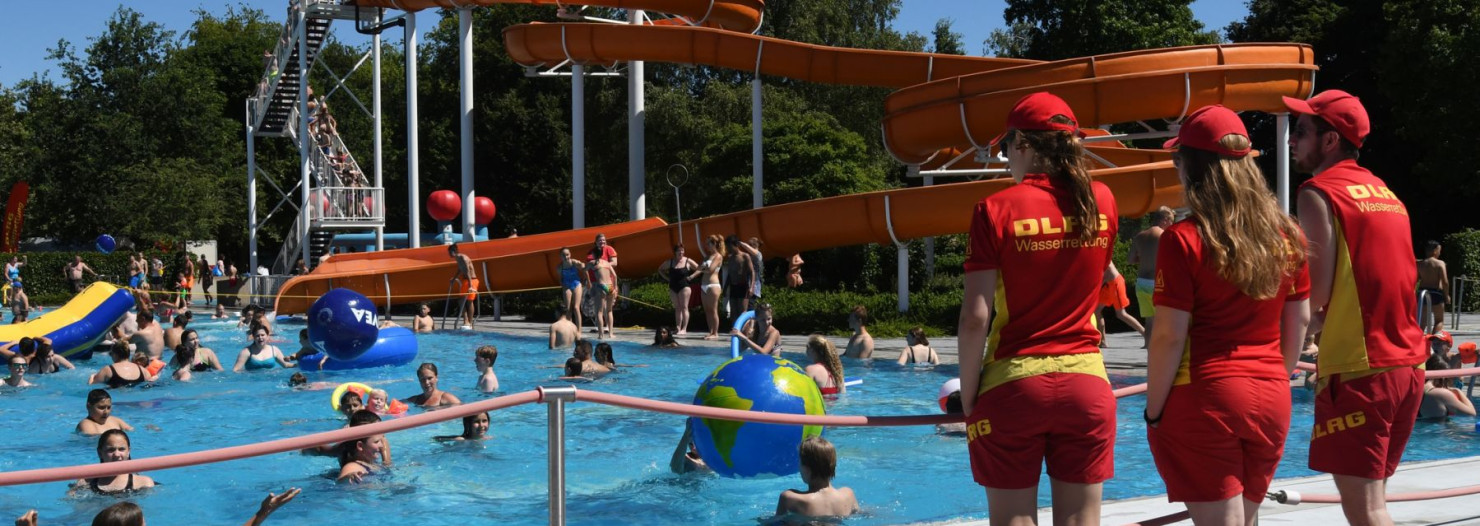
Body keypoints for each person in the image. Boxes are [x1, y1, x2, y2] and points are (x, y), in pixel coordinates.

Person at [1140, 105, 1311, 526]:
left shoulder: (1183, 239)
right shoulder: (1288, 235)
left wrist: (1153, 411)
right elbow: (1300, 322)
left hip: (1206, 394)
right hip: (1271, 397)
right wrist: (1274, 378)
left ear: (1192, 167)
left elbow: (1168, 337)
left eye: (1178, 160)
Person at [957, 92, 1119, 525]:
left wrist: (969, 396)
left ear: (1023, 145)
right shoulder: (1102, 201)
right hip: (1087, 385)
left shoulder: (994, 208)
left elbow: (975, 318)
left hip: (1014, 385)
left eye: (1006, 148)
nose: (1006, 159)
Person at [1288, 90, 1429, 526]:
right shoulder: (1385, 193)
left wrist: (1278, 349)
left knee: (1366, 512)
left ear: (1330, 140)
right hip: (1408, 366)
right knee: (1376, 504)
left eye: (1301, 130)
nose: (1291, 139)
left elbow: (1315, 293)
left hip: (1360, 368)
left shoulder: (1318, 193)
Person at [773, 437, 858, 522]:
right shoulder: (848, 495)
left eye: (800, 463)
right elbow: (861, 514)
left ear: (807, 469)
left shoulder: (789, 498)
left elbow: (775, 522)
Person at [1128, 206, 1174, 348]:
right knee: (1165, 319)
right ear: (1164, 220)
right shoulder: (1165, 236)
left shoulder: (1140, 236)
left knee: (1149, 321)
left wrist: (1145, 258)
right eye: (1171, 221)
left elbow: (1130, 260)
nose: (1171, 225)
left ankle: (1148, 346)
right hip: (1158, 282)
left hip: (1142, 283)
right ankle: (1164, 349)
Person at [72, 429, 157, 494]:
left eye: (121, 449)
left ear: (128, 452)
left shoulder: (143, 483)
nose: (116, 454)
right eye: (111, 450)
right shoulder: (85, 483)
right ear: (100, 453)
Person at [1096, 263, 1146, 346]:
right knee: (1097, 310)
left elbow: (1104, 275)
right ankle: (1103, 341)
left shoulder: (1102, 256)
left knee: (1121, 314)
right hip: (1107, 284)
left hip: (1115, 282)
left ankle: (1146, 334)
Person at [658, 244, 698, 335]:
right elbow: (660, 269)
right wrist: (667, 278)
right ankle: (678, 327)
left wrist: (692, 276)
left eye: (682, 250)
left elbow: (699, 268)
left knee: (684, 307)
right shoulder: (670, 262)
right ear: (675, 252)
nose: (681, 252)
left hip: (684, 286)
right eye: (679, 250)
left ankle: (684, 328)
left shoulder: (687, 260)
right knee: (677, 308)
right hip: (673, 286)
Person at [1418, 355, 1475, 419]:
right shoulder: (1441, 394)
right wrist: (1458, 392)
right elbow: (1471, 414)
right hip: (1438, 425)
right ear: (1443, 377)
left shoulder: (1415, 388)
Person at [90, 341, 156, 388]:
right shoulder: (143, 371)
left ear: (115, 354)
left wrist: (92, 377)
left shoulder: (108, 370)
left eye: (111, 354)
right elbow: (150, 383)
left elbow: (92, 387)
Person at [698, 235, 726, 341]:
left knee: (713, 310)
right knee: (707, 310)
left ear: (714, 244)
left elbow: (710, 270)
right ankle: (710, 331)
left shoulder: (718, 256)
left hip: (713, 285)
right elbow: (699, 268)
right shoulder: (707, 257)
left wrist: (700, 268)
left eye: (709, 243)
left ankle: (715, 332)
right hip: (704, 285)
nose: (707, 246)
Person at [1417, 240, 1448, 334]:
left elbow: (1416, 279)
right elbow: (1445, 281)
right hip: (1435, 292)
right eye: (1439, 250)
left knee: (1422, 322)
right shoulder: (1440, 263)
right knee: (1439, 320)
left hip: (1422, 293)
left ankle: (1418, 340)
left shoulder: (1420, 264)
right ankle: (1435, 340)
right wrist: (1446, 295)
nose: (1440, 253)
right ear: (1435, 251)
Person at [723, 236, 756, 323]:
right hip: (733, 286)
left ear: (736, 245)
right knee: (733, 311)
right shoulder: (730, 257)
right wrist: (725, 288)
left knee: (742, 312)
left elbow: (752, 272)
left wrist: (751, 287)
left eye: (729, 246)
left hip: (743, 286)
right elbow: (730, 274)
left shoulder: (745, 256)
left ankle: (745, 329)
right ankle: (735, 328)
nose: (728, 249)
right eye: (727, 247)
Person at [448, 243, 478, 330]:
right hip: (465, 281)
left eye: (449, 252)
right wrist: (454, 278)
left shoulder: (463, 258)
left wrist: (470, 286)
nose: (449, 254)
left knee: (469, 301)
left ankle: (470, 323)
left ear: (453, 251)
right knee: (461, 300)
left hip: (472, 280)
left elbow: (467, 271)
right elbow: (460, 269)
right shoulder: (458, 258)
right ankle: (466, 321)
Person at [556, 247, 587, 331]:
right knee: (568, 309)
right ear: (560, 256)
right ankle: (570, 330)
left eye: (567, 255)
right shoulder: (560, 267)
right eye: (563, 255)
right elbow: (561, 279)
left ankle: (579, 330)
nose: (566, 257)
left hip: (576, 284)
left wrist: (586, 280)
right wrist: (563, 287)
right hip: (566, 285)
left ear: (570, 254)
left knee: (576, 307)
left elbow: (584, 268)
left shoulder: (574, 262)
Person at [589, 255, 617, 338]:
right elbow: (615, 276)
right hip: (610, 286)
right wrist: (615, 288)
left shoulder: (593, 263)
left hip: (601, 285)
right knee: (609, 311)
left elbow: (584, 269)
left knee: (599, 312)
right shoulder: (607, 263)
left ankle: (601, 335)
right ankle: (611, 334)